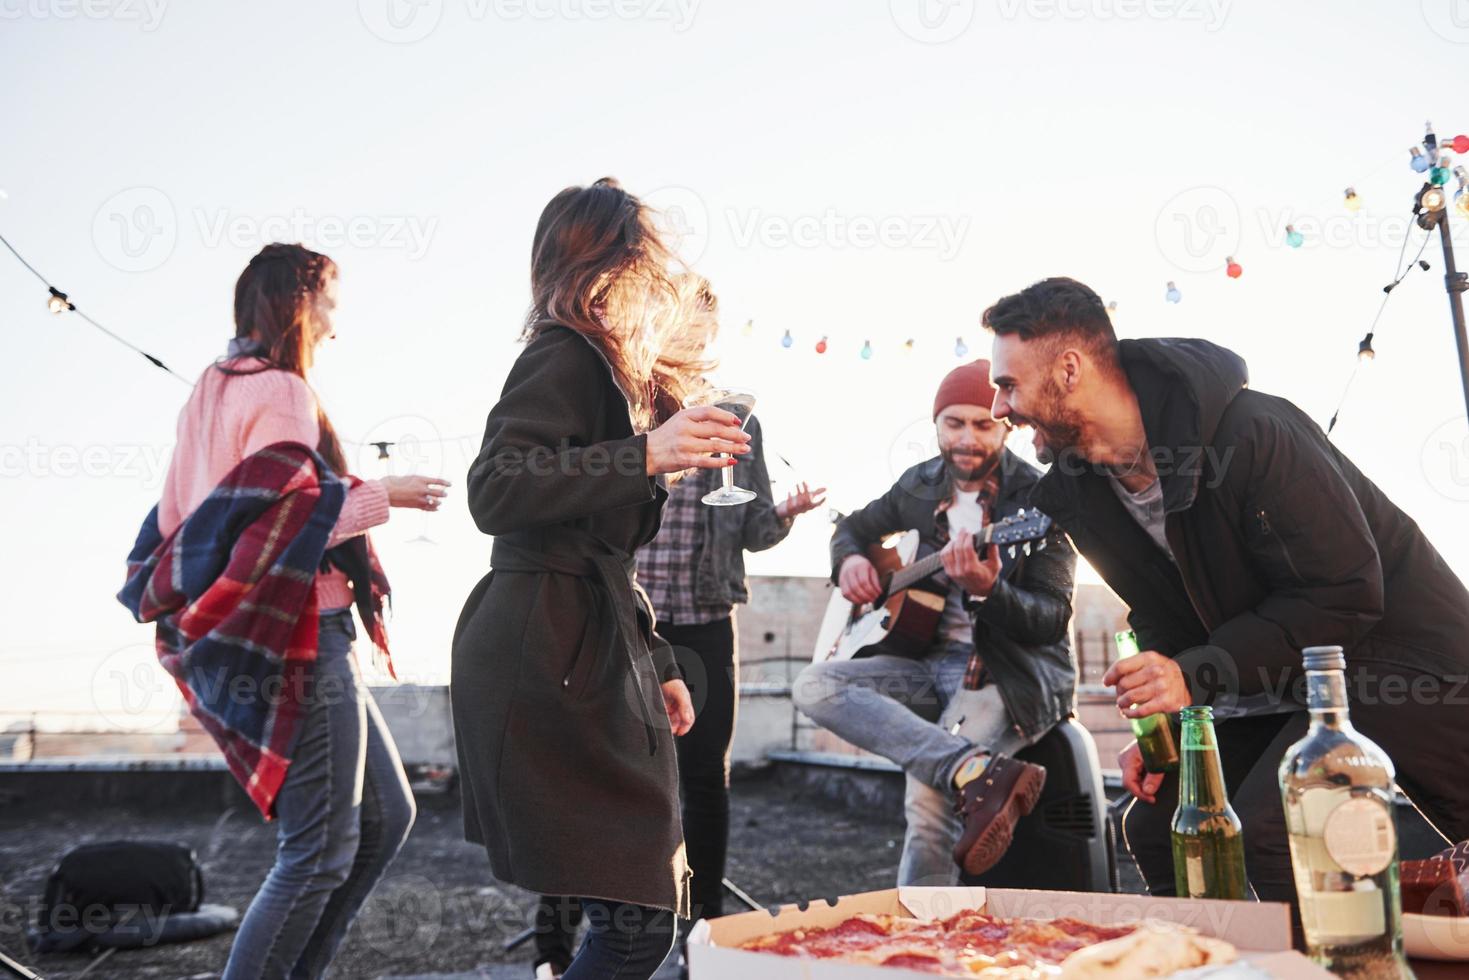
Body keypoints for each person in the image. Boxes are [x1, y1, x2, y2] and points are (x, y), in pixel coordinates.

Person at [984, 275, 1469, 910]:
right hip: (1290, 678)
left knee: (1274, 826)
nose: (999, 409)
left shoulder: (1250, 434)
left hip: (1398, 662)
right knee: (1159, 824)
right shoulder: (1084, 488)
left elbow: (1343, 593)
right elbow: (1167, 617)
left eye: (1007, 384)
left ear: (1069, 369)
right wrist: (1177, 731)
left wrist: (1195, 677)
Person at [451, 178, 752, 980]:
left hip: (584, 646)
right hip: (542, 651)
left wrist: (655, 665)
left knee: (642, 912)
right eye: (647, 258)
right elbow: (495, 490)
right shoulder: (563, 352)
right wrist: (648, 455)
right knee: (636, 921)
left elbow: (605, 555)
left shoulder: (616, 379)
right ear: (614, 265)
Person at [128, 243, 447, 979]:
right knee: (317, 851)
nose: (336, 322)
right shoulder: (281, 392)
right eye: (330, 302)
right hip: (302, 632)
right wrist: (379, 495)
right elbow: (276, 533)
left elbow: (186, 522)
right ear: (301, 305)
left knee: (382, 819)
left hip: (270, 634)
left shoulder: (208, 389)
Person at [528, 283, 825, 979]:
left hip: (705, 618)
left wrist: (783, 514)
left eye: (705, 328)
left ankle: (705, 937)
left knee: (705, 783)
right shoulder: (622, 402)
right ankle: (553, 943)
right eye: (685, 326)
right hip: (624, 619)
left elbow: (748, 527)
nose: (696, 339)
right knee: (593, 779)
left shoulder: (738, 423)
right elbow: (580, 500)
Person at [792, 360, 1077, 884]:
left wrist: (990, 592)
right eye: (954, 423)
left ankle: (922, 947)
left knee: (926, 804)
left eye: (982, 424)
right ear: (937, 425)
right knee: (815, 686)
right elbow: (853, 528)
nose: (967, 438)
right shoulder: (920, 485)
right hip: (922, 662)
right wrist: (851, 561)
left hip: (1005, 673)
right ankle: (971, 769)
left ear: (1004, 424)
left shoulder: (1040, 502)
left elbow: (1051, 620)